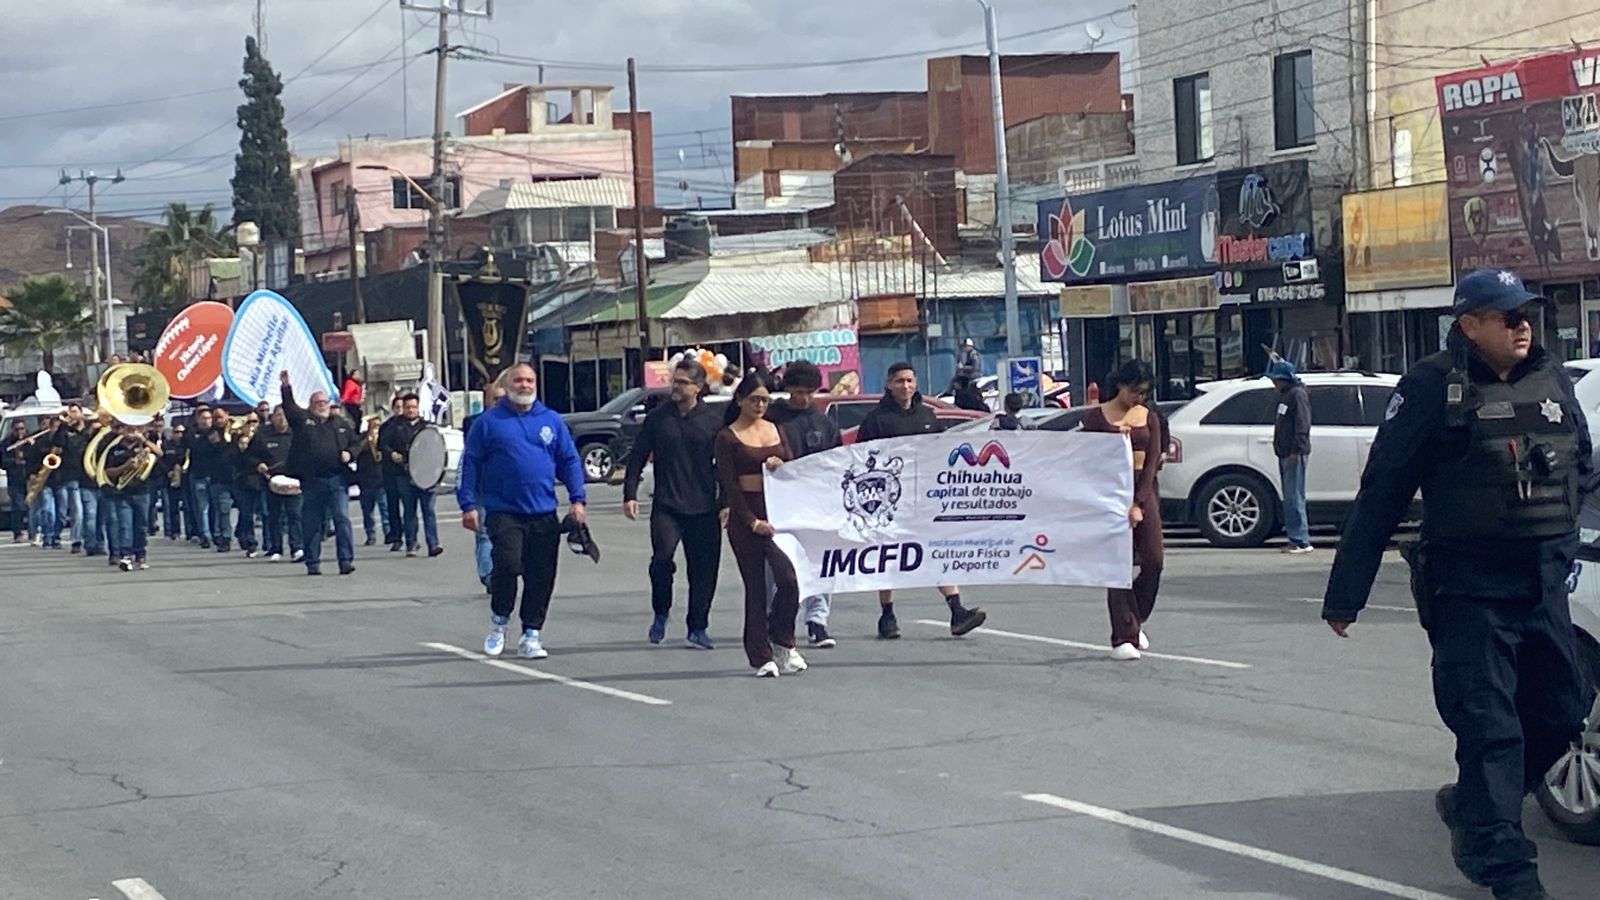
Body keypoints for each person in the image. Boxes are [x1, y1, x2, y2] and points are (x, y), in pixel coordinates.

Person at [1322, 269, 1593, 900]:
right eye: (1508, 317)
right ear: (1469, 325)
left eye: (1527, 315)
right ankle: (1508, 869)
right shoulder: (1431, 388)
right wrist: (1346, 595)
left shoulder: (1552, 379)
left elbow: (1582, 465)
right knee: (1491, 732)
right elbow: (1383, 490)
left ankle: (1474, 806)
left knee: (1563, 713)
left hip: (1542, 589)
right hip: (1470, 594)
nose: (1523, 327)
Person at [458, 363, 587, 660]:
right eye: (519, 380)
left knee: (541, 575)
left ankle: (531, 634)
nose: (525, 385)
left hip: (543, 512)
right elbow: (471, 464)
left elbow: (568, 460)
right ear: (507, 386)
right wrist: (468, 505)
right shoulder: (488, 423)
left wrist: (578, 499)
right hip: (504, 511)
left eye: (530, 380)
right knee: (507, 564)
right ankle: (499, 621)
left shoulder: (551, 420)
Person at [857, 361, 987, 639]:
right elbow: (861, 459)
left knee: (934, 548)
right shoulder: (876, 420)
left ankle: (957, 610)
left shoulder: (927, 416)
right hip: (889, 499)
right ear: (889, 385)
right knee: (889, 555)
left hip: (925, 497)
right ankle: (887, 614)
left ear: (915, 383)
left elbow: (939, 454)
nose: (905, 386)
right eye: (899, 381)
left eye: (909, 380)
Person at [623, 358, 724, 650]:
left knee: (703, 571)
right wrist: (630, 494)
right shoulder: (658, 418)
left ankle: (698, 627)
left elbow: (725, 466)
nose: (675, 387)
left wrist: (726, 502)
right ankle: (661, 612)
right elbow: (637, 456)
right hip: (667, 506)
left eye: (682, 383)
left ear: (698, 387)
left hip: (704, 508)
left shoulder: (713, 421)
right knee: (661, 561)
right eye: (674, 381)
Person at [715, 372, 803, 677]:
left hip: (777, 513)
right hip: (746, 517)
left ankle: (783, 641)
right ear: (740, 400)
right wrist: (752, 522)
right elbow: (730, 485)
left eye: (765, 400)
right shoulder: (727, 437)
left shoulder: (777, 429)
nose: (760, 405)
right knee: (756, 588)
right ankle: (760, 655)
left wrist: (782, 464)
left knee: (789, 580)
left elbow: (794, 467)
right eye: (754, 400)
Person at [1079, 361, 1165, 661]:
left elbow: (1153, 461)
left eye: (1143, 392)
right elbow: (1084, 460)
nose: (1137, 397)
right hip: (1109, 496)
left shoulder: (1149, 417)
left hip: (1143, 491)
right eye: (1134, 391)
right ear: (1120, 385)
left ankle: (1134, 617)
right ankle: (1123, 635)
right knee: (1117, 566)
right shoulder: (1096, 417)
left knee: (1153, 560)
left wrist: (1139, 503)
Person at [766, 360, 843, 648]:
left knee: (820, 563)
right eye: (798, 392)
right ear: (788, 389)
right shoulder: (772, 419)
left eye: (809, 392)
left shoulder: (824, 422)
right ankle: (773, 618)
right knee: (777, 565)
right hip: (779, 504)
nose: (804, 398)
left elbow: (837, 462)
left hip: (817, 504)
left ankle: (817, 621)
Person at [279, 371, 360, 576]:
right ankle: (312, 562)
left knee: (342, 519)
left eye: (324, 402)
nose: (322, 405)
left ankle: (345, 560)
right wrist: (286, 387)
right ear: (311, 405)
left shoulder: (340, 424)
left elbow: (356, 443)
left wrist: (350, 453)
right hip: (312, 481)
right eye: (317, 402)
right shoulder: (303, 420)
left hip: (337, 479)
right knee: (312, 523)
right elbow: (289, 408)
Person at [383, 393, 443, 559]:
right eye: (408, 407)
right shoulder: (394, 426)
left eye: (414, 407)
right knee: (409, 511)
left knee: (428, 510)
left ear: (418, 408)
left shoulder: (426, 427)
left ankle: (433, 544)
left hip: (426, 475)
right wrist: (392, 454)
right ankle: (411, 544)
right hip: (404, 474)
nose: (411, 410)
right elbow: (383, 444)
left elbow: (436, 447)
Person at [1267, 359, 1314, 553]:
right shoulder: (1286, 395)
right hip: (1286, 452)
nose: (1274, 383)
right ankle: (1295, 538)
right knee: (1290, 496)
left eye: (1276, 379)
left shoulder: (1297, 394)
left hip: (1294, 452)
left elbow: (1303, 423)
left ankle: (1300, 540)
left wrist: (1297, 449)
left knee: (1294, 496)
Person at [461, 381, 501, 592]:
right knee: (484, 534)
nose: (499, 403)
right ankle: (488, 574)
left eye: (502, 399)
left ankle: (501, 572)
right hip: (482, 486)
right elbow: (471, 458)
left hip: (506, 489)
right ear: (486, 399)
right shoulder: (474, 422)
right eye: (495, 399)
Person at [248, 407, 300, 562]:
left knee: (294, 515)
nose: (282, 418)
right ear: (272, 417)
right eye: (278, 415)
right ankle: (276, 548)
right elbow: (250, 455)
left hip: (293, 481)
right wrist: (258, 464)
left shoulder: (296, 433)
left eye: (284, 415)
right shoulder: (262, 434)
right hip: (271, 481)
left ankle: (297, 547)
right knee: (274, 516)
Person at [52, 403, 96, 554]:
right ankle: (76, 540)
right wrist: (63, 426)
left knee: (90, 512)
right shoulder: (66, 431)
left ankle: (92, 541)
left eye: (75, 412)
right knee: (77, 510)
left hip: (88, 475)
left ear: (81, 413)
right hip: (71, 475)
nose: (72, 415)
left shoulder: (90, 430)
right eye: (70, 412)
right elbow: (57, 443)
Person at [352, 415, 388, 547]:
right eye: (373, 425)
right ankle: (370, 535)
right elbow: (355, 451)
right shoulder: (362, 438)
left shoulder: (384, 437)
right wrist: (367, 441)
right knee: (367, 512)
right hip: (365, 480)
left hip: (381, 480)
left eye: (378, 425)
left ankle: (388, 533)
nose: (375, 428)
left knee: (385, 510)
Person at [231, 413, 263, 557]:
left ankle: (269, 543)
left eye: (254, 422)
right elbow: (232, 459)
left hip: (259, 481)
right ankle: (251, 543)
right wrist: (241, 448)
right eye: (248, 422)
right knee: (246, 513)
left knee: (264, 513)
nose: (251, 425)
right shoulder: (236, 441)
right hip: (242, 482)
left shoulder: (262, 439)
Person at [378, 395, 406, 551]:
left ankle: (411, 536)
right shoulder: (387, 426)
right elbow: (381, 444)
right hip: (390, 471)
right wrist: (391, 453)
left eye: (402, 407)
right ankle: (396, 536)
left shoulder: (411, 424)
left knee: (409, 507)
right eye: (397, 407)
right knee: (392, 505)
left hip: (407, 471)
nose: (400, 410)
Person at [4, 420, 32, 542]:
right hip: (15, 479)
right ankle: (18, 532)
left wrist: (30, 446)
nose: (20, 432)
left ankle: (33, 531)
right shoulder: (5, 444)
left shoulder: (30, 441)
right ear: (12, 430)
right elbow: (3, 462)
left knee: (32, 506)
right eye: (17, 429)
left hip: (30, 478)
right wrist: (15, 461)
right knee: (18, 506)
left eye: (22, 429)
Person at [160, 424, 188, 540]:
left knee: (187, 507)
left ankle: (190, 533)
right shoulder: (166, 445)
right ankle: (172, 532)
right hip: (169, 479)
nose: (179, 435)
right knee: (171, 507)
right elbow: (160, 460)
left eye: (182, 432)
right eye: (177, 432)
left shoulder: (187, 445)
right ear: (172, 433)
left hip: (184, 478)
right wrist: (168, 471)